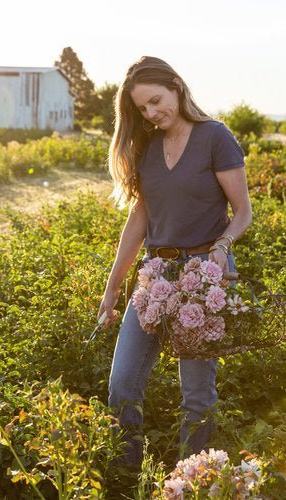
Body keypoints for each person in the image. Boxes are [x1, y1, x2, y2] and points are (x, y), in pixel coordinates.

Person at [97, 56, 252, 466]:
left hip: (205, 275)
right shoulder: (147, 146)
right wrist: (113, 288)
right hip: (155, 274)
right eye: (142, 109)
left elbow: (243, 212)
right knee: (122, 385)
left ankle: (191, 481)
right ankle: (127, 475)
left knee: (196, 396)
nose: (151, 113)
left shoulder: (215, 137)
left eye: (155, 101)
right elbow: (139, 219)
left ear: (176, 86)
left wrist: (222, 246)